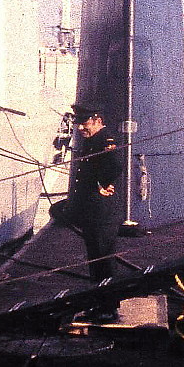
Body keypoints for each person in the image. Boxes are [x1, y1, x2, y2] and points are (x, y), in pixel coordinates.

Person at [70, 103, 123, 322]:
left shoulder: (106, 140)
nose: (81, 127)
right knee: (95, 259)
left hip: (103, 212)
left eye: (85, 122)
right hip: (92, 211)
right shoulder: (91, 140)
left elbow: (115, 166)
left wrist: (103, 183)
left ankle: (109, 307)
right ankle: (99, 302)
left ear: (97, 120)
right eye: (78, 123)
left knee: (104, 258)